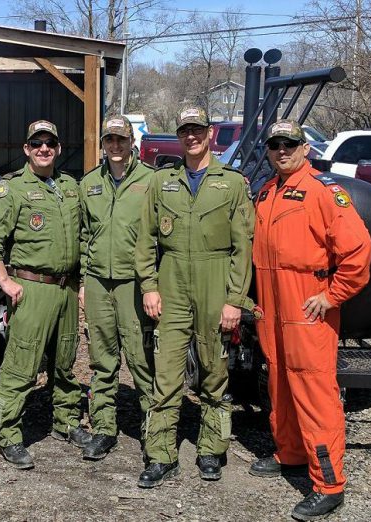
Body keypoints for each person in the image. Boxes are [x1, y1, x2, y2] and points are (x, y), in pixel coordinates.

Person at [250, 119, 371, 521]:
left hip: (306, 303)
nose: (282, 150)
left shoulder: (324, 191)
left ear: (304, 148)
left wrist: (332, 295)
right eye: (275, 144)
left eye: (290, 143)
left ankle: (329, 484)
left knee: (314, 389)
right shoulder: (267, 191)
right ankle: (291, 453)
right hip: (272, 303)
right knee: (280, 379)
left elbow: (357, 253)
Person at [134, 105, 254, 487]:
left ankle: (210, 450)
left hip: (214, 280)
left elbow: (242, 249)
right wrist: (149, 287)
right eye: (185, 130)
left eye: (198, 130)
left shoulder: (232, 184)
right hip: (171, 281)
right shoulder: (161, 181)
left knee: (213, 370)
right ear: (178, 135)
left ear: (210, 134)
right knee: (166, 373)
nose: (192, 137)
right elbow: (146, 240)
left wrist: (235, 299)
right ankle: (160, 454)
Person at [0, 120, 90, 469]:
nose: (44, 149)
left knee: (65, 362)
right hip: (32, 287)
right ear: (26, 149)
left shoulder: (70, 186)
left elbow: (83, 236)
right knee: (21, 366)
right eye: (37, 143)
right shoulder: (13, 189)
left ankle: (66, 421)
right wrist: (5, 281)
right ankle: (9, 434)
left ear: (57, 147)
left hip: (66, 289)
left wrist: (82, 282)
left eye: (50, 143)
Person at [78, 115, 156, 460]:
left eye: (121, 140)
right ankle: (105, 428)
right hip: (97, 281)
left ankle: (154, 430)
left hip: (133, 283)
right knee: (102, 359)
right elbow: (83, 235)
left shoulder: (151, 181)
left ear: (132, 143)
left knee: (140, 358)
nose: (115, 146)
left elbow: (158, 238)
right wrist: (83, 280)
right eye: (109, 140)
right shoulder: (90, 183)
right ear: (103, 144)